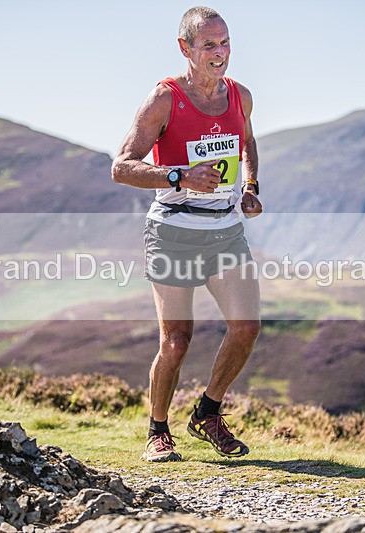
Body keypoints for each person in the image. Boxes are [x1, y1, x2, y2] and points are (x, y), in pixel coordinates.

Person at [112, 6, 262, 462]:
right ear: (186, 49)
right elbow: (122, 167)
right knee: (176, 340)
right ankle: (158, 431)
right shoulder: (165, 99)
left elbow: (247, 142)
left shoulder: (240, 96)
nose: (220, 54)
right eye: (209, 45)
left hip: (225, 230)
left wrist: (250, 187)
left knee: (246, 327)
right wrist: (180, 177)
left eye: (225, 42)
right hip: (174, 230)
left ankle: (208, 413)